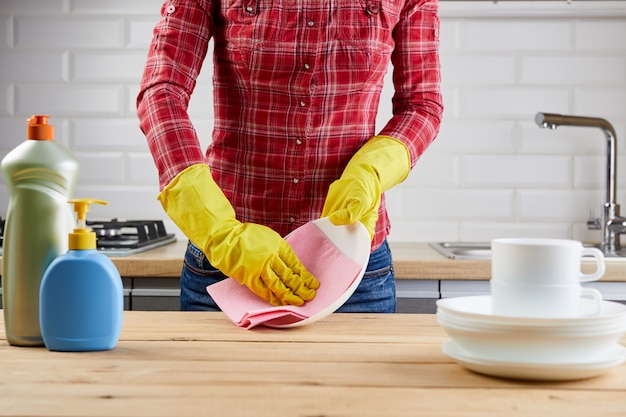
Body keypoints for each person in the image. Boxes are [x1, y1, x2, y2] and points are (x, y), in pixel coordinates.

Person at [137, 0, 443, 313]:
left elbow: (422, 105)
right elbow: (160, 92)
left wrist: (371, 170)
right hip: (228, 265)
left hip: (351, 262)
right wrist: (220, 233)